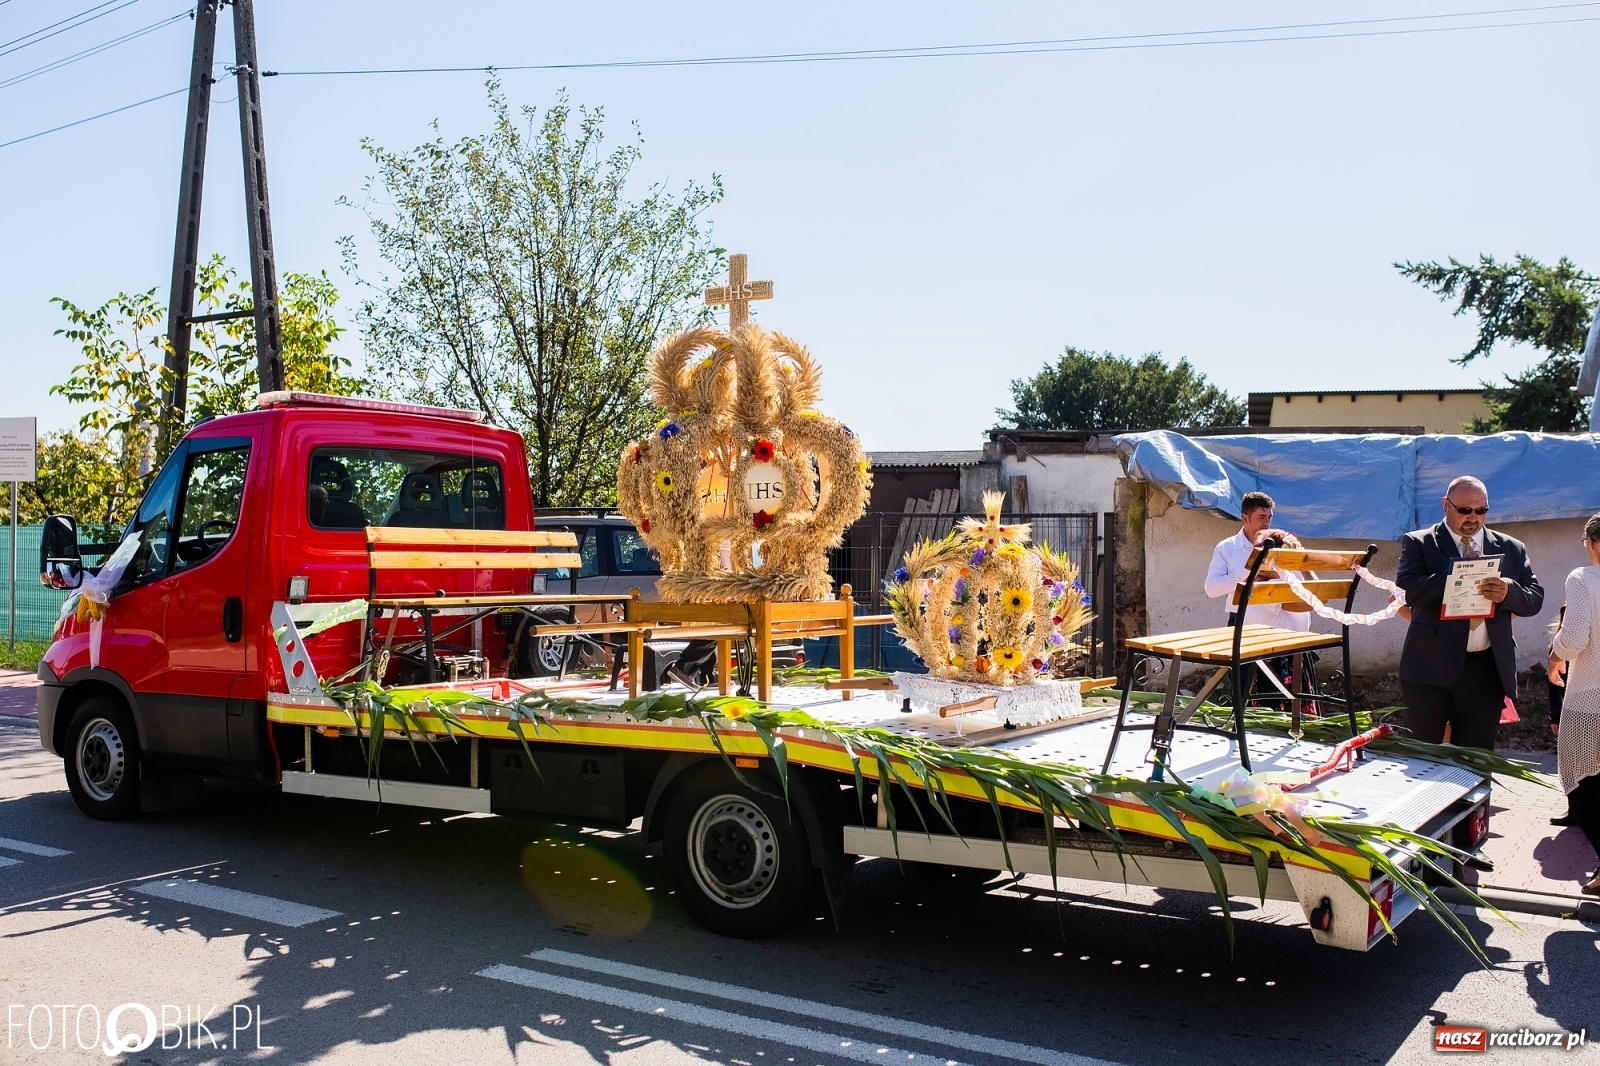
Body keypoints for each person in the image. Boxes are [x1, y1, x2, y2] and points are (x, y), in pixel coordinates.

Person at [1396, 475, 1544, 750]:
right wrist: (1457, 574)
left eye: (1481, 510)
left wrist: (1508, 591)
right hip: (1429, 667)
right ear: (1446, 505)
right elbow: (1408, 590)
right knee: (1422, 755)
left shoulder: (1511, 547)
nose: (1473, 518)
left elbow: (1534, 599)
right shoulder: (1419, 542)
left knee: (1475, 758)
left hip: (1485, 670)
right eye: (1465, 510)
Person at [1547, 512, 1600, 895]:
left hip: (1590, 698)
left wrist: (1556, 655)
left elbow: (1575, 637)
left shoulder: (1582, 578)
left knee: (1578, 781)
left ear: (1592, 543)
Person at [1204, 491, 1312, 631]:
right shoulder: (1227, 547)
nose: (1267, 522)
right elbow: (1211, 589)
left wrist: (1277, 575)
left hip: (1285, 626)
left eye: (1269, 517)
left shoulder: (1280, 543)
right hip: (1244, 625)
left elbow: (1300, 586)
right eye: (1261, 517)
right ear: (1245, 518)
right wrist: (1249, 570)